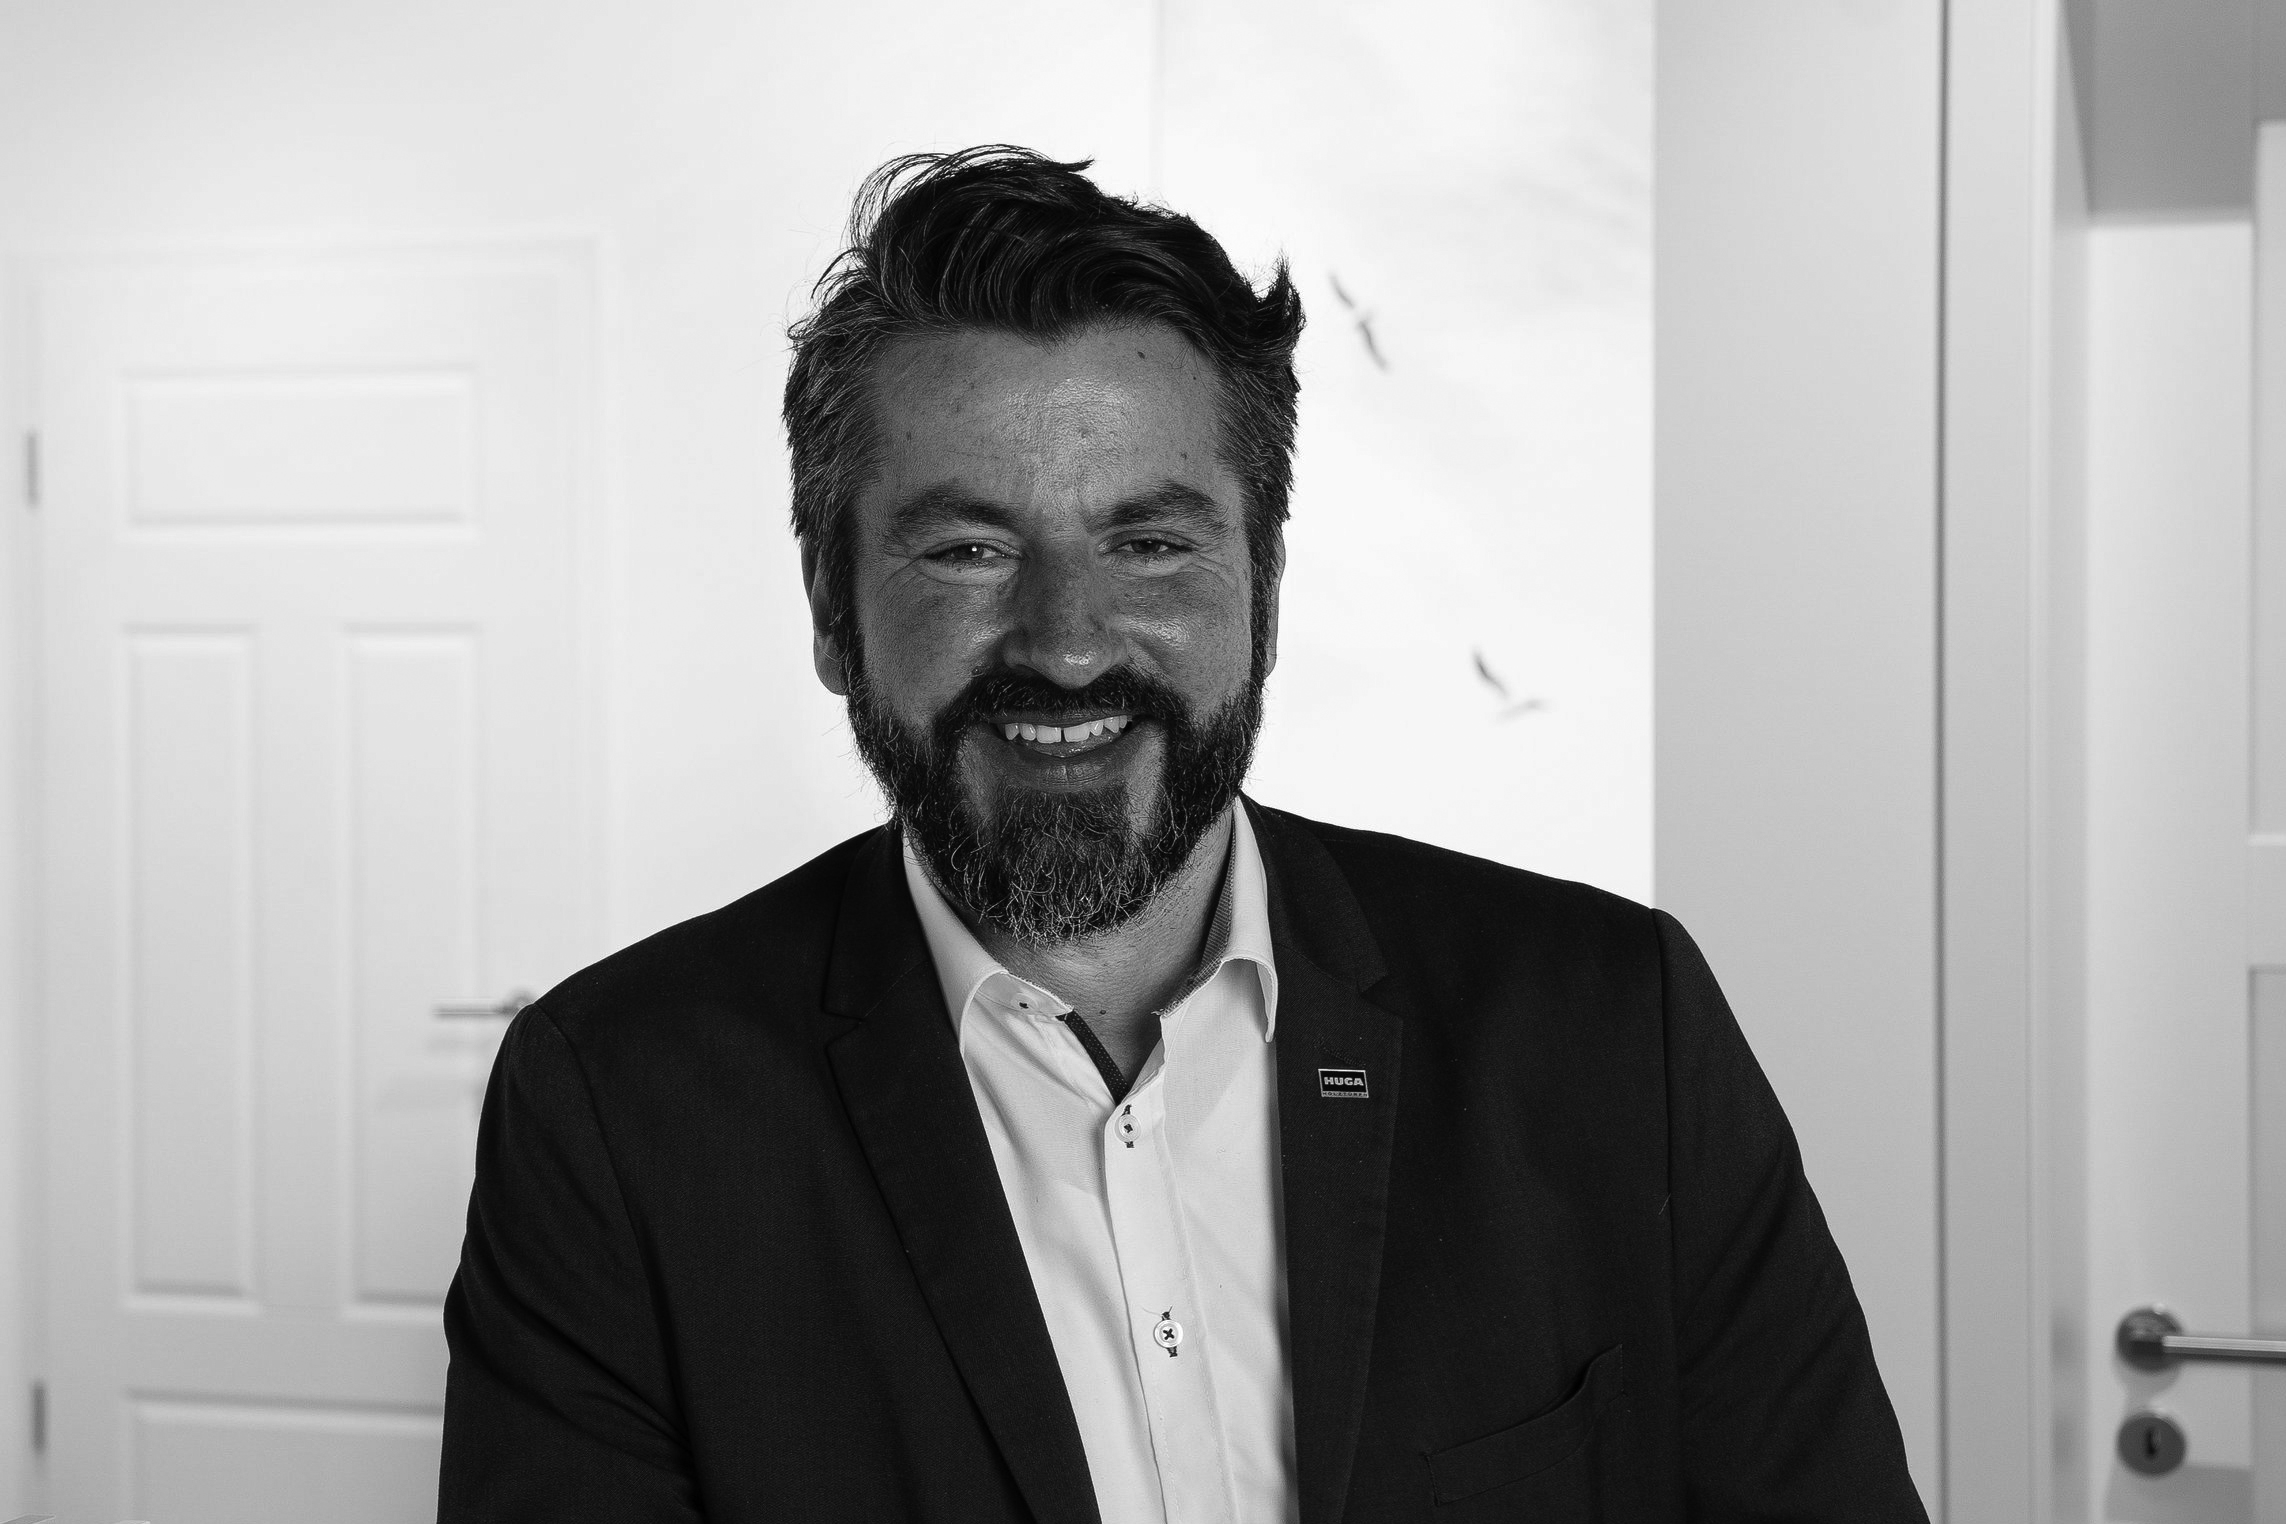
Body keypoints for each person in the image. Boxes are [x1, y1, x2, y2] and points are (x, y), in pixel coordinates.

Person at [438, 146, 1925, 1524]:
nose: (1069, 642)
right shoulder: (618, 1111)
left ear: (1262, 587)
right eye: (968, 548)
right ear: (834, 609)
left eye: (1148, 542)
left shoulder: (1610, 1027)